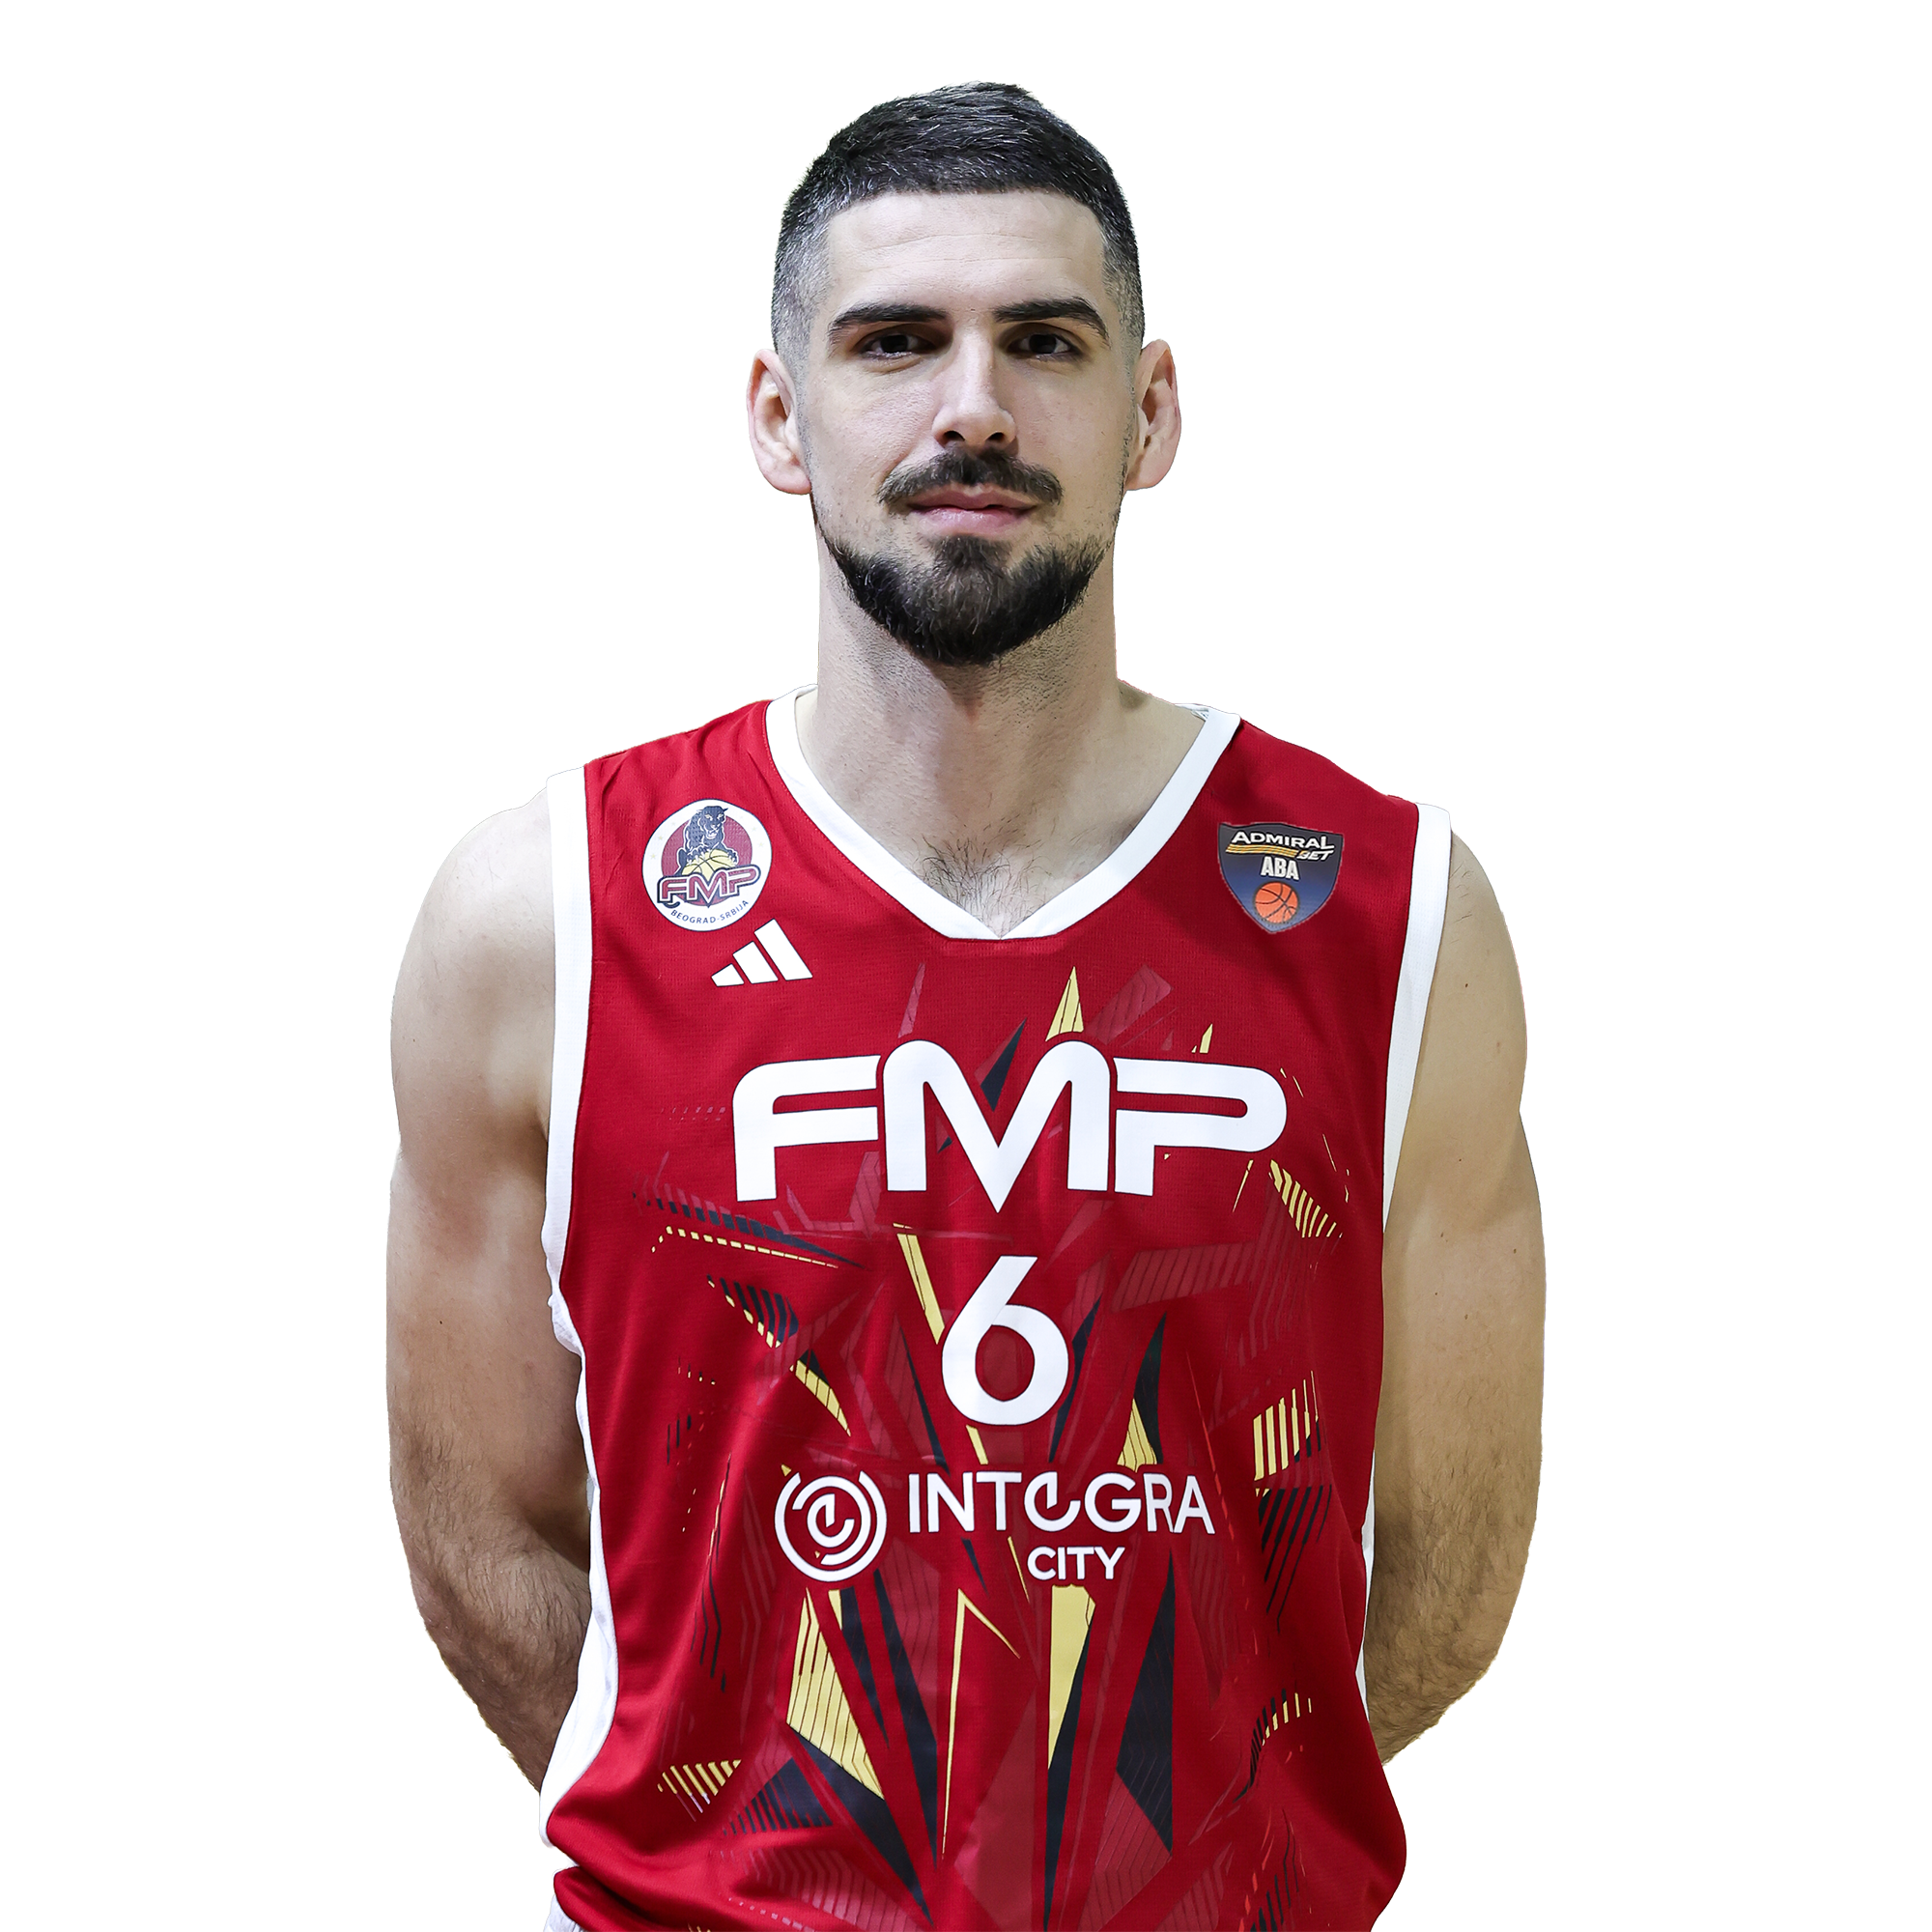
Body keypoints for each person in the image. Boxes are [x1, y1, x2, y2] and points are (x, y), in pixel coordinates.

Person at [387, 82, 1544, 1932]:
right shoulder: (542, 915)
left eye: (1046, 342)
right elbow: (481, 1521)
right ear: (781, 418)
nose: (974, 406)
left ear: (1149, 413)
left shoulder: (1390, 914)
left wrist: (1198, 1861)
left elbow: (1456, 1543)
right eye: (894, 342)